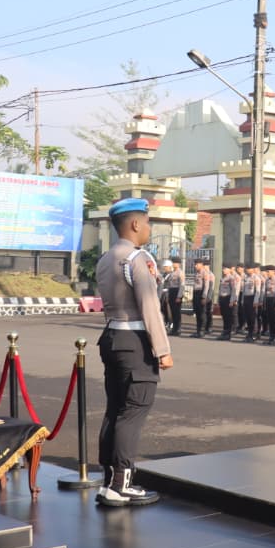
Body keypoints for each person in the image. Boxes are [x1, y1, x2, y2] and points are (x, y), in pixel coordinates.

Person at [95, 198, 173, 507]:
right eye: (148, 222)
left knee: (115, 409)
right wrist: (162, 349)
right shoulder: (137, 258)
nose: (149, 228)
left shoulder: (106, 258)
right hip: (135, 341)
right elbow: (149, 306)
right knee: (133, 411)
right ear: (136, 224)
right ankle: (121, 484)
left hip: (112, 336)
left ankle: (108, 482)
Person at [217, 264, 239, 340]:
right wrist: (218, 300)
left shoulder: (231, 278)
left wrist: (232, 300)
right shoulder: (222, 278)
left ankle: (227, 334)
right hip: (222, 299)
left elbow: (234, 290)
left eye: (225, 269)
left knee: (228, 317)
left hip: (228, 299)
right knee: (224, 317)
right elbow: (220, 290)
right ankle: (224, 331)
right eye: (223, 268)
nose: (224, 270)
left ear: (230, 269)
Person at [166, 259, 185, 336]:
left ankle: (178, 329)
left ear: (179, 264)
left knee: (177, 312)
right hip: (172, 292)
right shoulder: (172, 273)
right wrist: (168, 295)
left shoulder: (180, 273)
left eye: (175, 263)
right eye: (173, 262)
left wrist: (179, 296)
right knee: (173, 312)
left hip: (177, 292)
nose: (173, 264)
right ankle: (174, 329)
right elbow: (169, 285)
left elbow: (182, 285)